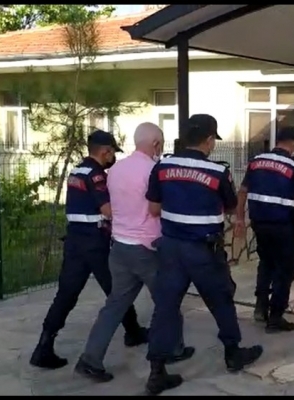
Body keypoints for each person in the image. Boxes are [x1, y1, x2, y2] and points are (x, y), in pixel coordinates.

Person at [144, 114, 263, 395]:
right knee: (221, 300)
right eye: (213, 141)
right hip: (203, 251)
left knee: (165, 307)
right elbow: (231, 207)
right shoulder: (217, 172)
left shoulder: (162, 167)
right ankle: (233, 353)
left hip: (171, 248)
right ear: (209, 140)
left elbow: (153, 209)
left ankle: (156, 372)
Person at [75, 123, 194, 383]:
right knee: (167, 302)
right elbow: (157, 208)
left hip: (119, 246)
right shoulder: (155, 170)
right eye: (160, 143)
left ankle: (90, 359)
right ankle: (173, 350)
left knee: (114, 306)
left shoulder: (115, 169)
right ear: (155, 144)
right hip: (146, 248)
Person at [29, 130, 148, 370]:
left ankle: (43, 346)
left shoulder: (77, 171)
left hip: (75, 242)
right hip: (95, 243)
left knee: (66, 294)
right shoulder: (96, 175)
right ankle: (133, 332)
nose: (113, 157)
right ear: (105, 151)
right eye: (112, 152)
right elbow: (108, 210)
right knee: (118, 290)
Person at [234, 126, 294, 333]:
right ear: (293, 143)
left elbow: (242, 191)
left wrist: (239, 218)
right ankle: (275, 317)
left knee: (266, 263)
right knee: (285, 270)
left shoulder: (255, 162)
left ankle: (260, 307)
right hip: (284, 227)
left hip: (259, 224)